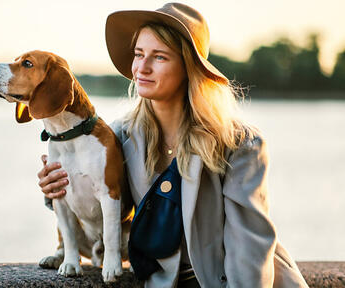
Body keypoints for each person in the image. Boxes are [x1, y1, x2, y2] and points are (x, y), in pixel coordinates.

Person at [37, 3, 309, 287]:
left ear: (188, 68)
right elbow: (104, 217)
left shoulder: (239, 144)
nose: (142, 67)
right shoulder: (119, 136)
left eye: (160, 57)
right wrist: (59, 186)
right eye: (139, 54)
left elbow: (248, 251)